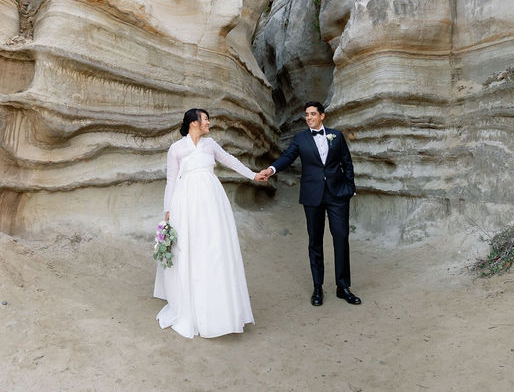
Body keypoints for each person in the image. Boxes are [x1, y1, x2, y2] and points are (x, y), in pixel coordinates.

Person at [153, 108, 269, 338]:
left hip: (212, 203)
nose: (209, 123)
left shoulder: (211, 144)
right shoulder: (176, 149)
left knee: (213, 247)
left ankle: (217, 304)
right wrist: (167, 210)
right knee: (189, 248)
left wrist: (253, 175)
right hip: (185, 204)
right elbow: (170, 181)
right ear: (194, 122)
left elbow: (231, 161)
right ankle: (190, 305)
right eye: (205, 119)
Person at [259, 101, 361, 306]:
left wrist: (349, 188)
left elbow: (346, 162)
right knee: (315, 241)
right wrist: (271, 170)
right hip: (312, 196)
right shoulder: (300, 138)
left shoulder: (336, 136)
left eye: (313, 114)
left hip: (337, 195)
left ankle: (343, 287)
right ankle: (317, 288)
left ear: (322, 116)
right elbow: (287, 157)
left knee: (341, 237)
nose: (309, 117)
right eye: (306, 114)